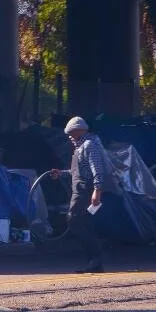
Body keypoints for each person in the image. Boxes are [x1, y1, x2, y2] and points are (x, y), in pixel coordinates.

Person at [59, 116, 111, 274]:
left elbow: (97, 170)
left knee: (74, 221)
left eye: (72, 132)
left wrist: (97, 190)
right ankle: (94, 261)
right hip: (80, 189)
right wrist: (60, 173)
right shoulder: (79, 147)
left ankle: (95, 258)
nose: (69, 135)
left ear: (80, 130)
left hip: (84, 190)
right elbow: (77, 171)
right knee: (84, 224)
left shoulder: (90, 145)